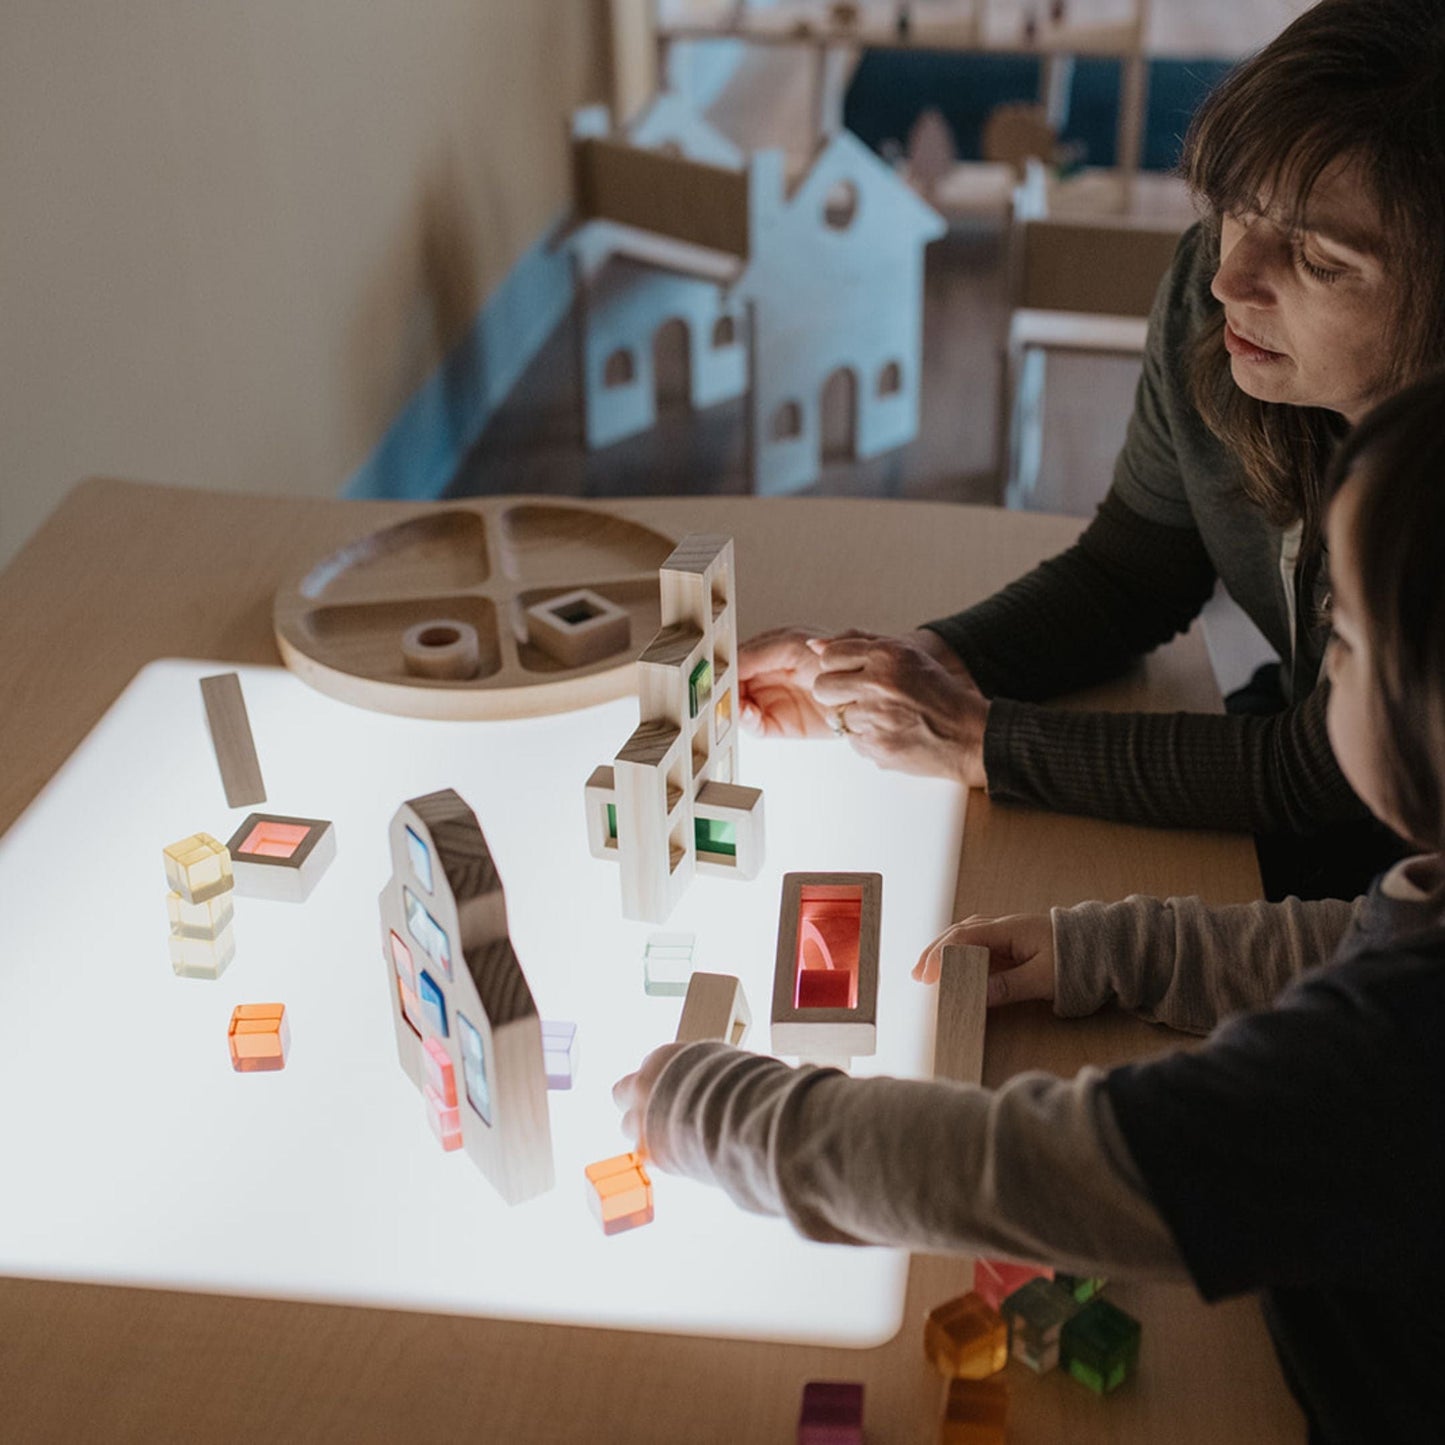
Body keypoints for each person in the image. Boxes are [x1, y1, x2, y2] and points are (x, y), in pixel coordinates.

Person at [614, 369, 1445, 1443]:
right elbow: (1349, 940)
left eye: (1342, 641)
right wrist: (1119, 948)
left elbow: (1058, 1170)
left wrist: (737, 1116)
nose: (1316, 668)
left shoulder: (1393, 1063)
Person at [738, 0, 1445, 899]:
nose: (1228, 278)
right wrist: (911, 671)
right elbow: (1133, 572)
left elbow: (1318, 772)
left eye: (1318, 259)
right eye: (1236, 208)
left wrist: (974, 740)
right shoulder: (1215, 302)